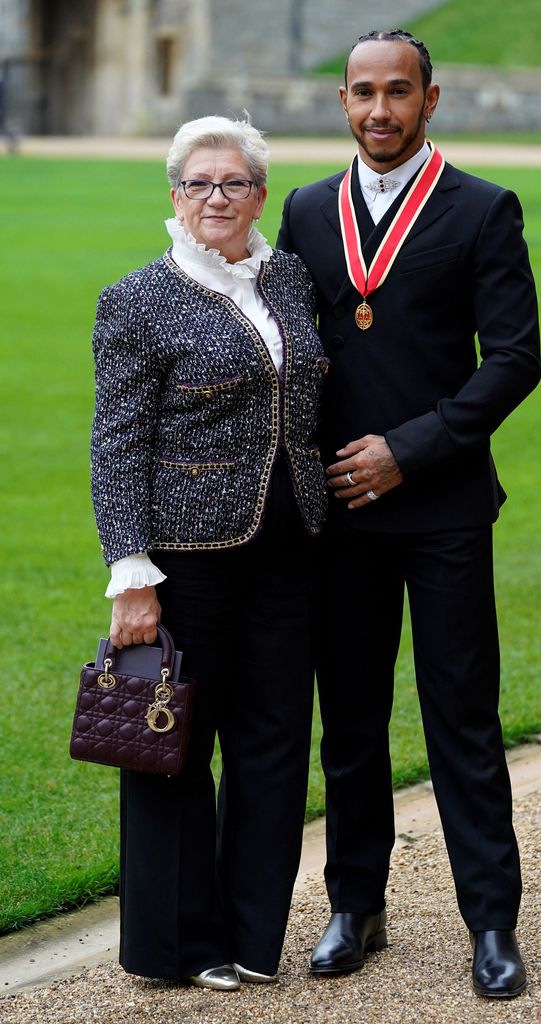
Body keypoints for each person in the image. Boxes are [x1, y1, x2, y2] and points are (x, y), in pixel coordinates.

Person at [277, 29, 541, 999]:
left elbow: (515, 359)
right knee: (348, 718)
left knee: (461, 717)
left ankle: (492, 921)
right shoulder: (306, 211)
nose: (379, 111)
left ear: (432, 100)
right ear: (342, 103)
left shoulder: (481, 209)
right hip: (339, 515)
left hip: (442, 508)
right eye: (362, 94)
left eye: (399, 93)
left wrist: (409, 450)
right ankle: (357, 903)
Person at [90, 115, 327, 990]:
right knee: (174, 744)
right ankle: (179, 945)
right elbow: (115, 444)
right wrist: (131, 574)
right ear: (175, 196)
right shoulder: (137, 298)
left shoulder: (291, 279)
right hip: (186, 555)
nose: (216, 198)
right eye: (198, 183)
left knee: (271, 741)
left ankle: (252, 938)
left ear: (261, 194)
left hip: (289, 546)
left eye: (233, 183)